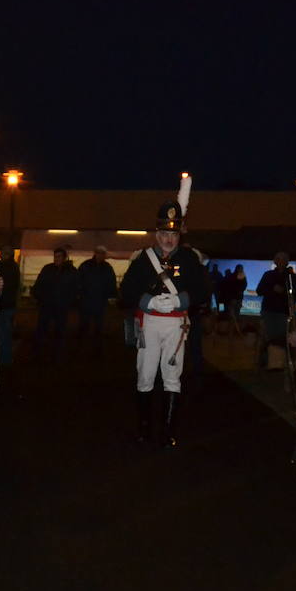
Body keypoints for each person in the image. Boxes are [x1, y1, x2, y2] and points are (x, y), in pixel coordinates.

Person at [119, 179, 207, 447]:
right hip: (149, 324)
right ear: (157, 234)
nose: (169, 239)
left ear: (179, 235)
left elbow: (204, 290)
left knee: (172, 378)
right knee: (145, 376)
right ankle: (144, 429)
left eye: (173, 235)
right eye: (164, 234)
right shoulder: (143, 259)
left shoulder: (190, 259)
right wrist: (149, 302)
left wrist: (181, 300)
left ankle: (168, 431)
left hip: (176, 325)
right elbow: (126, 292)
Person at [255, 252, 296, 368]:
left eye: (283, 259)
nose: (280, 261)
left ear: (287, 262)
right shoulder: (268, 275)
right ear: (275, 261)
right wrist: (272, 289)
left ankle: (281, 362)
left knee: (281, 337)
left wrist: (285, 292)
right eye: (278, 259)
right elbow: (259, 290)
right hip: (269, 311)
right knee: (268, 336)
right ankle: (267, 361)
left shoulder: (293, 277)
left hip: (283, 312)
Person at [32, 246, 76, 361]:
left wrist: (69, 301)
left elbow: (75, 288)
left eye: (59, 256)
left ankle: (57, 354)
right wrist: (38, 297)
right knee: (42, 329)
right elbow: (39, 284)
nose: (56, 258)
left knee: (59, 330)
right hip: (47, 304)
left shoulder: (71, 271)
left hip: (61, 306)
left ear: (64, 258)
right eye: (55, 256)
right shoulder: (48, 269)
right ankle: (38, 353)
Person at [75, 245, 117, 344]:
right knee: (84, 322)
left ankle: (96, 343)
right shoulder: (85, 265)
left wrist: (112, 295)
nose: (101, 255)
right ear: (95, 253)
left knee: (99, 323)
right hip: (86, 299)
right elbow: (78, 280)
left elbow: (111, 282)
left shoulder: (107, 268)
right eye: (99, 253)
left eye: (102, 253)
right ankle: (83, 341)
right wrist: (78, 293)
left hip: (100, 300)